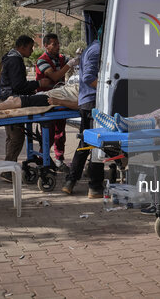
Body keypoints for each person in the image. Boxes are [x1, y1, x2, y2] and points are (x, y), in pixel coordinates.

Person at [0, 35, 50, 182]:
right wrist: (38, 84)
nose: (32, 50)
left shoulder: (9, 57)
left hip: (6, 97)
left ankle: (8, 166)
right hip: (11, 99)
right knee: (16, 137)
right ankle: (7, 170)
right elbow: (18, 85)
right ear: (22, 47)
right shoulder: (15, 60)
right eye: (30, 47)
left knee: (11, 136)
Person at [62, 37, 104, 198]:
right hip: (93, 102)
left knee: (86, 142)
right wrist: (106, 88)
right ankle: (95, 186)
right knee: (97, 143)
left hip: (87, 101)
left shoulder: (91, 48)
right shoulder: (97, 50)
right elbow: (88, 77)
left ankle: (70, 181)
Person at [35, 33, 79, 170]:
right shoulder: (41, 60)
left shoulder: (61, 58)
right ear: (46, 45)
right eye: (54, 44)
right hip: (46, 99)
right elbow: (54, 76)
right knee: (48, 131)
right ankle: (44, 158)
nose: (57, 46)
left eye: (58, 43)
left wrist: (78, 59)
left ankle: (59, 159)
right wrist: (70, 64)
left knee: (60, 131)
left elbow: (70, 61)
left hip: (60, 98)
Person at [0, 81, 79, 113]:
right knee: (12, 98)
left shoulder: (93, 95)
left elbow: (80, 105)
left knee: (16, 100)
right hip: (49, 95)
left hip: (50, 100)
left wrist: (59, 102)